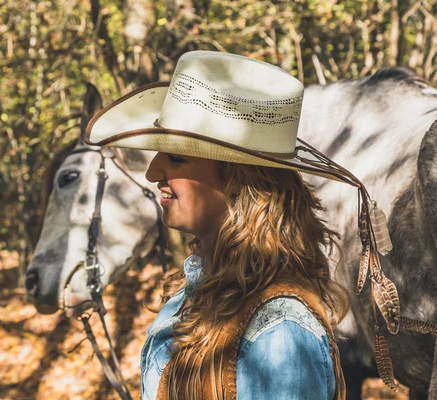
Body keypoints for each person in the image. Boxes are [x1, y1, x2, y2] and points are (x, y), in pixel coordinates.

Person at [84, 51, 380, 400]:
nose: (152, 173)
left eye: (176, 157)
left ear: (242, 181)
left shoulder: (280, 332)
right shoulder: (197, 288)